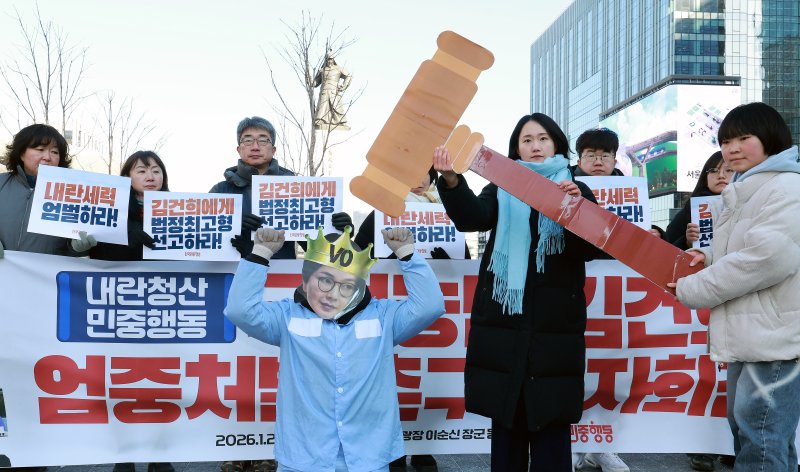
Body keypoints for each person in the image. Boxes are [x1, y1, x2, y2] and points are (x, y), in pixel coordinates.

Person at [433, 113, 601, 471]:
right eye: (526, 140)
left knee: (551, 427)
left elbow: (590, 248)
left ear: (557, 144)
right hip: (503, 320)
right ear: (516, 149)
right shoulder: (503, 186)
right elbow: (473, 218)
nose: (535, 146)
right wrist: (450, 178)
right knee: (507, 419)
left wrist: (575, 210)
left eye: (542, 138)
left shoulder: (575, 188)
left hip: (554, 326)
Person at [224, 225, 445, 471]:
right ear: (306, 280)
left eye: (347, 285)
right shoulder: (287, 316)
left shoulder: (384, 316)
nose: (332, 294)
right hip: (304, 457)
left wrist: (407, 253)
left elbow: (430, 306)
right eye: (325, 281)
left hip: (370, 456)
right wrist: (260, 254)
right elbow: (240, 310)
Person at [672, 102, 800, 472]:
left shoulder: (786, 187)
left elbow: (767, 258)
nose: (732, 149)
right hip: (755, 335)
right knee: (758, 437)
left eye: (744, 138)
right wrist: (705, 258)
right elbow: (738, 250)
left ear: (770, 139)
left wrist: (694, 288)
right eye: (727, 141)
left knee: (759, 442)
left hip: (775, 339)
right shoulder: (750, 188)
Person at [210, 117, 296, 472]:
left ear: (274, 148)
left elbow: (315, 235)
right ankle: (238, 447)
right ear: (238, 149)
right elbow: (205, 239)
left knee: (274, 366)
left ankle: (268, 446)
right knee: (236, 365)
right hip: (235, 281)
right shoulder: (221, 189)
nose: (256, 145)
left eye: (263, 139)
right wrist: (231, 233)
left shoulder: (293, 185)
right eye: (248, 140)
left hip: (282, 279)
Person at [569, 128, 630, 472]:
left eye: (605, 155)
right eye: (591, 154)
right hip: (576, 286)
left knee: (611, 373)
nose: (598, 161)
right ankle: (576, 445)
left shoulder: (631, 194)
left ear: (614, 159)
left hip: (621, 295)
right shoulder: (565, 188)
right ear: (579, 159)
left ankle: (603, 446)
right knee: (577, 370)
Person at [0, 123, 97, 260]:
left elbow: (72, 247)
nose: (47, 157)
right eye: (40, 149)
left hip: (45, 277)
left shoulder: (72, 193)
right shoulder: (1, 183)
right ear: (21, 153)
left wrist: (77, 248)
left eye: (55, 152)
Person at [90, 151, 167, 262]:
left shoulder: (181, 211)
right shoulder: (107, 209)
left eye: (156, 171)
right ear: (127, 177)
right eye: (142, 171)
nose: (150, 177)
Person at [664, 151, 732, 252]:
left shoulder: (750, 203)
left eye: (729, 170)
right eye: (713, 170)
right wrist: (687, 242)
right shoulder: (690, 209)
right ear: (705, 178)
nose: (721, 175)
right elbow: (667, 249)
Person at [314, 53, 352, 129]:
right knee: (323, 107)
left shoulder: (338, 69)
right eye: (328, 59)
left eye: (331, 59)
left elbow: (348, 76)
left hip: (334, 91)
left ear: (333, 59)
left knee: (336, 107)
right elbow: (315, 83)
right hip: (324, 91)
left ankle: (340, 122)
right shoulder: (322, 70)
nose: (329, 61)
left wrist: (343, 86)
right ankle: (320, 120)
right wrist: (309, 78)